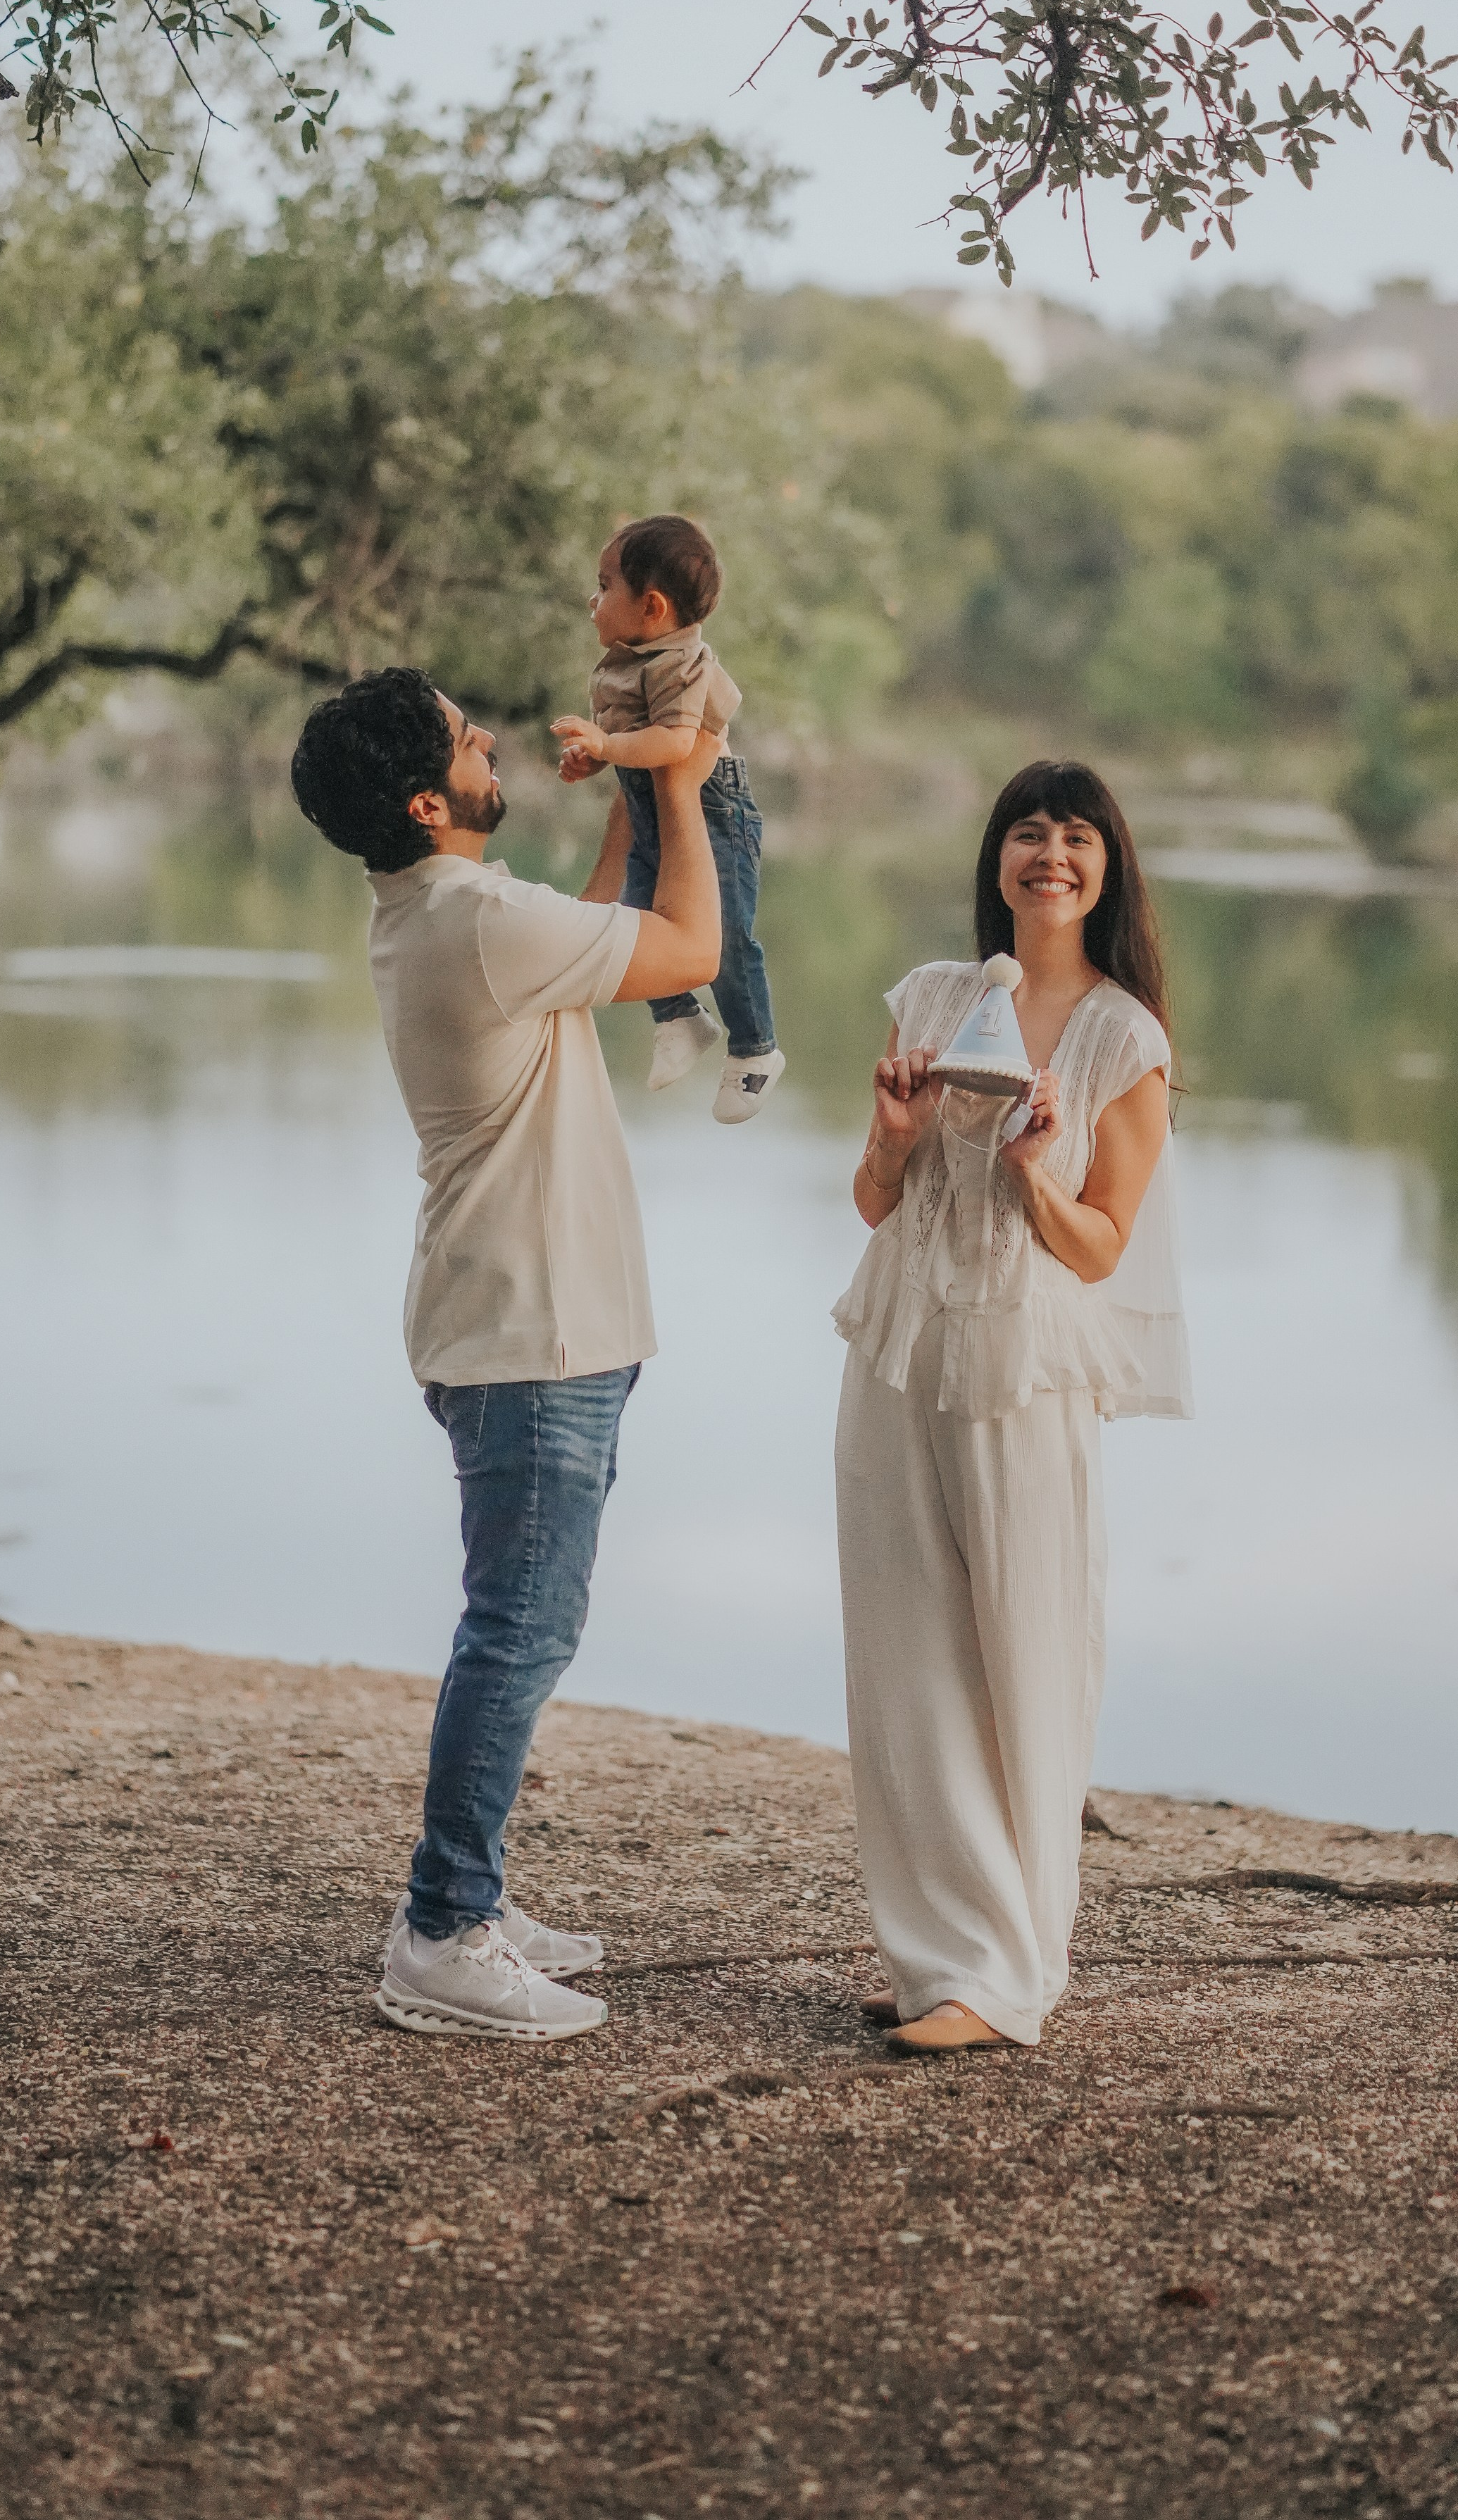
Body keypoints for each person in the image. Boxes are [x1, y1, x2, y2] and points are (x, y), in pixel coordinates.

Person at [289, 666, 723, 2040]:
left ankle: (467, 1891)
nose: (495, 743)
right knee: (521, 1626)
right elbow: (687, 947)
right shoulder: (472, 917)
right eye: (472, 742)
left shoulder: (448, 912)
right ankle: (442, 1928)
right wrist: (681, 786)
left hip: (526, 1317)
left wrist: (636, 816)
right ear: (433, 800)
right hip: (532, 1328)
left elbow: (592, 934)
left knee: (518, 1617)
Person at [832, 759, 1191, 2054]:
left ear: (1109, 868)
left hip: (1024, 1371)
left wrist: (1040, 1176)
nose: (1051, 853)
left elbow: (1101, 1247)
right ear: (997, 859)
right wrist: (892, 1133)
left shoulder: (1122, 1038)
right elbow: (875, 1201)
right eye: (1029, 832)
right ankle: (942, 1959)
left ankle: (1010, 1971)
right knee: (906, 1660)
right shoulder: (937, 996)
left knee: (1023, 1656)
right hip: (897, 1349)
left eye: (1078, 835)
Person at [550, 514, 785, 1124]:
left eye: (603, 586)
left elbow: (676, 746)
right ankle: (678, 1015)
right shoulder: (633, 659)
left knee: (726, 934)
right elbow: (636, 743)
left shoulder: (682, 664)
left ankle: (754, 1049)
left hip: (711, 808)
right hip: (651, 804)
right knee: (638, 917)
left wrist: (606, 748)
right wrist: (595, 760)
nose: (591, 600)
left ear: (651, 606)